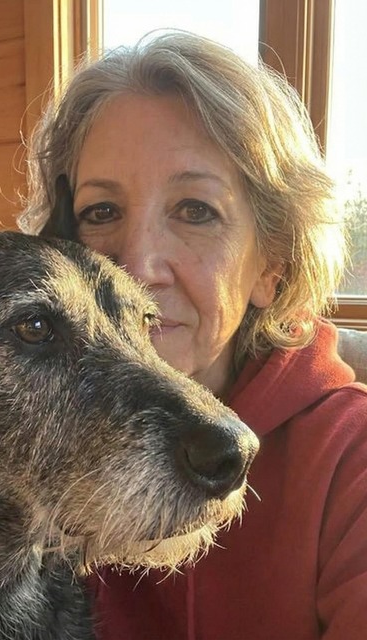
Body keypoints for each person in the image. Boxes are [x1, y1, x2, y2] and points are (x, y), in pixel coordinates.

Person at [19, 31, 367, 640]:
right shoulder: (15, 430)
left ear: (272, 264)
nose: (136, 267)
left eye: (195, 210)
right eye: (101, 212)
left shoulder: (349, 459)